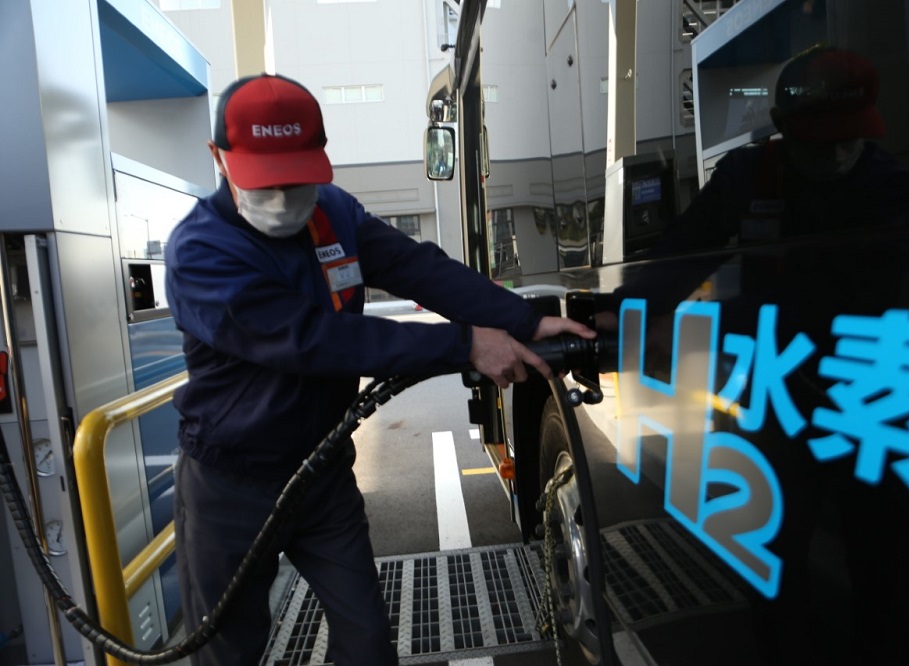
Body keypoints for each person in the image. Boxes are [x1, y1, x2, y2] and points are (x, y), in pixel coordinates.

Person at [164, 72, 595, 666]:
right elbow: (315, 341)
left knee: (367, 643)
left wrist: (521, 320)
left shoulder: (333, 214)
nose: (288, 194)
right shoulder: (200, 253)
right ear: (218, 158)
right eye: (269, 179)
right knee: (227, 653)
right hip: (230, 488)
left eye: (300, 174)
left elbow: (417, 268)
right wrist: (466, 343)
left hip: (323, 474)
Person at [598, 46, 909, 664]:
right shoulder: (749, 177)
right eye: (820, 141)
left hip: (866, 391)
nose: (835, 155)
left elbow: (836, 303)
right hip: (779, 394)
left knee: (879, 551)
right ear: (782, 124)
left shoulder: (890, 189)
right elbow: (684, 252)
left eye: (848, 140)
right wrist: (627, 312)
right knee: (771, 546)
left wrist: (696, 325)